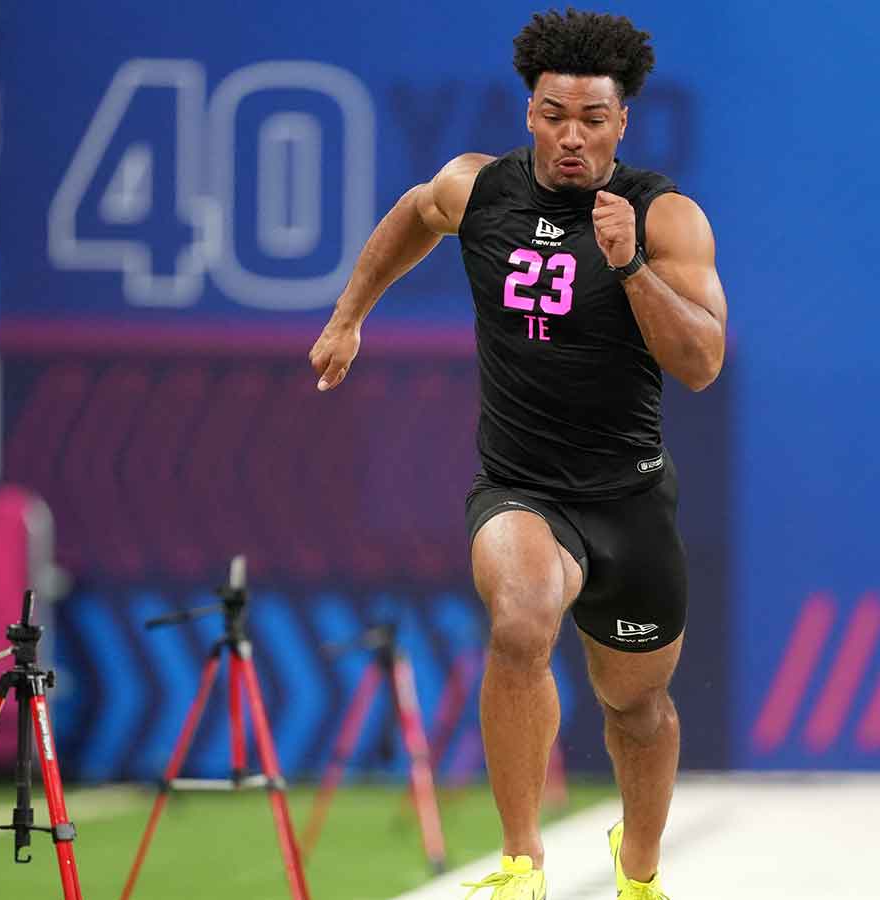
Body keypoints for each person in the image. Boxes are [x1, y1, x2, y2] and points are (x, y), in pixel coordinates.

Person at [309, 9, 726, 899]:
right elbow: (413, 217)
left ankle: (639, 872)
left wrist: (631, 268)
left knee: (636, 707)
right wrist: (350, 315)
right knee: (521, 622)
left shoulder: (664, 217)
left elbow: (701, 364)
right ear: (528, 111)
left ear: (623, 123)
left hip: (629, 499)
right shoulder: (478, 189)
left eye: (592, 120)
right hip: (522, 487)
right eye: (552, 114)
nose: (571, 136)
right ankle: (520, 864)